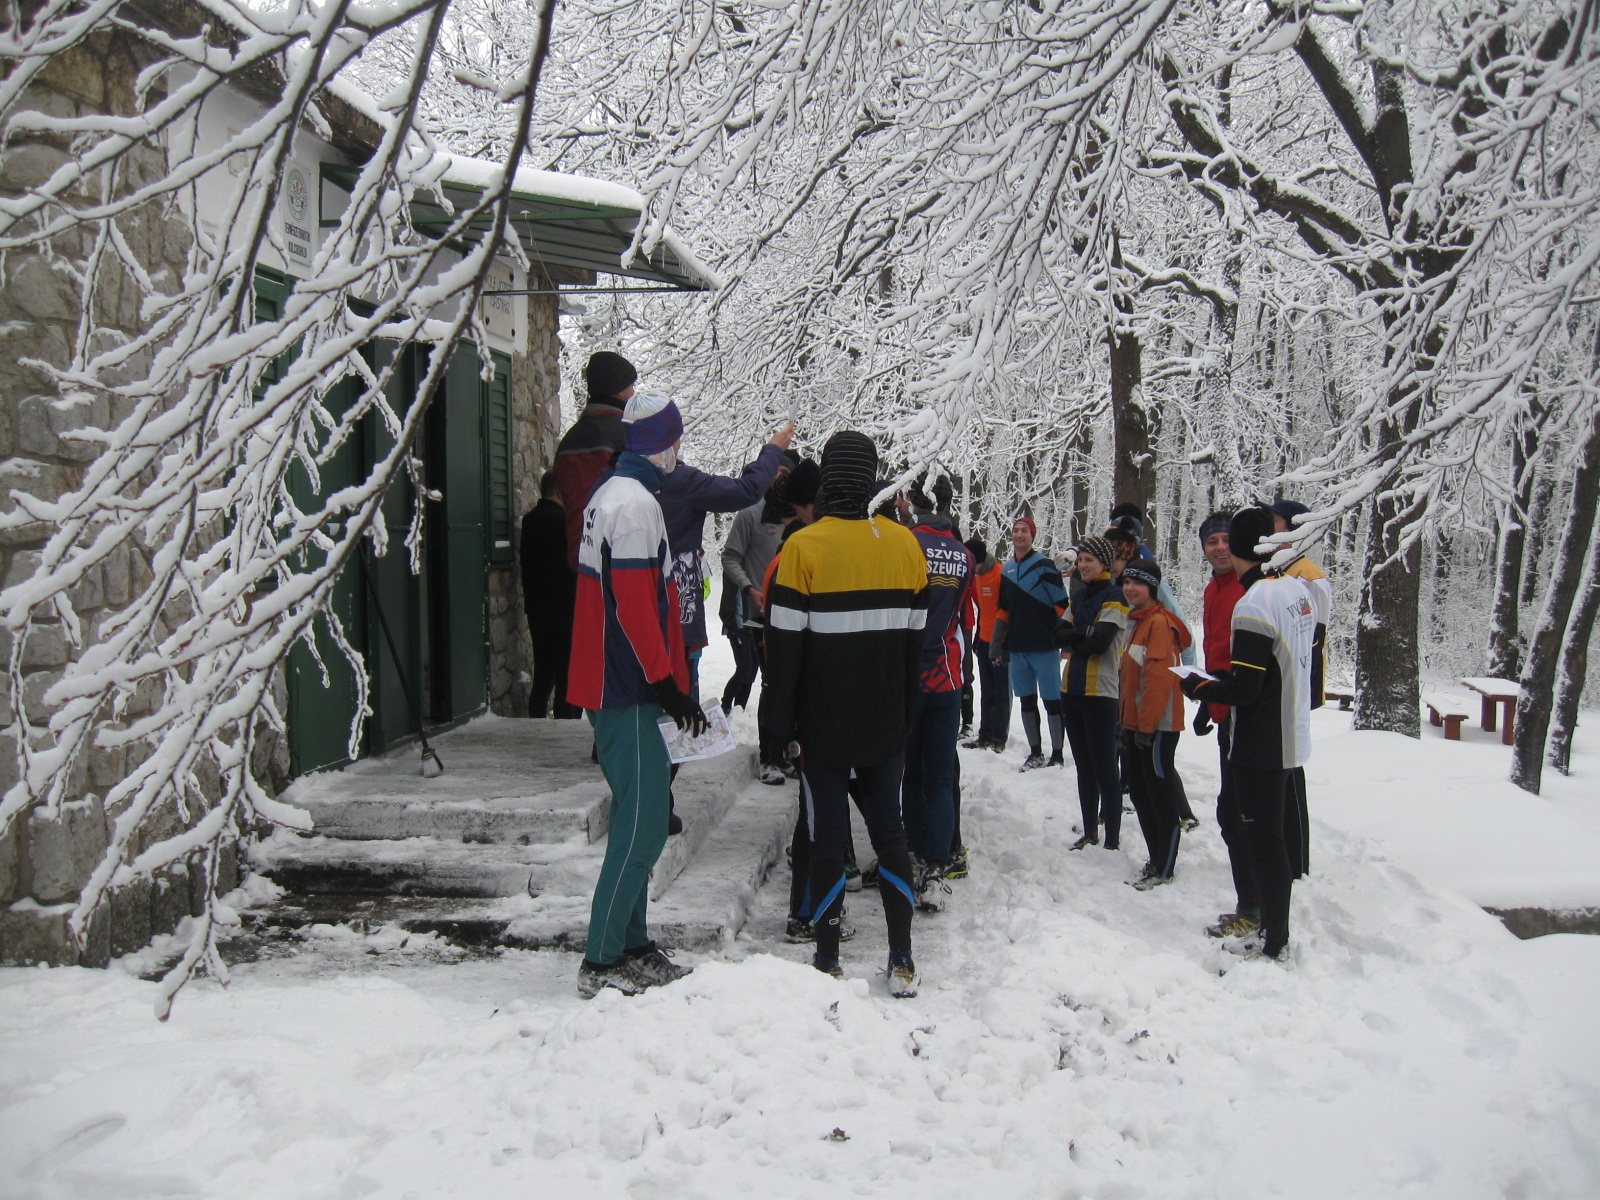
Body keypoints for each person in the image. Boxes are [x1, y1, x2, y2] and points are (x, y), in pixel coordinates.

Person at [765, 431, 929, 997]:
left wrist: (777, 731)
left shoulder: (803, 549)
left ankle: (829, 959)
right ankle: (902, 959)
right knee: (890, 833)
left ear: (830, 478)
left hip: (824, 726)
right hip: (885, 723)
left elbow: (783, 653)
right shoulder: (906, 546)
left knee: (828, 837)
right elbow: (916, 649)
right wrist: (906, 716)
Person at [568, 392, 703, 998]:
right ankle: (601, 960)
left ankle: (632, 945)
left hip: (615, 682)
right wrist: (668, 684)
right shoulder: (636, 505)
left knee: (636, 815)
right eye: (677, 440)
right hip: (626, 686)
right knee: (646, 824)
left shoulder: (611, 495)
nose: (681, 451)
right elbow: (634, 609)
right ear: (663, 444)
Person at [1178, 507, 1317, 962]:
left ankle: (1273, 937)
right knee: (1263, 832)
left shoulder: (1253, 603)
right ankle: (1267, 924)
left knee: (1262, 837)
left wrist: (1197, 687)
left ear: (1237, 548)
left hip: (1259, 739)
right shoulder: (1296, 590)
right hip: (1286, 727)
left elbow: (1247, 687)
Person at [901, 493, 975, 908]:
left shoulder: (909, 544)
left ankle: (913, 849)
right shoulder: (963, 555)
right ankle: (938, 859)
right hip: (949, 675)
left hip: (912, 675)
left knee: (912, 772)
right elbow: (968, 617)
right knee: (941, 777)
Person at [1194, 510, 1256, 938]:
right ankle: (1248, 902)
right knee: (1230, 811)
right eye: (1212, 541)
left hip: (1246, 709)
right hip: (1224, 705)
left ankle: (1254, 907)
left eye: (1225, 540)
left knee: (1239, 813)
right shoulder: (1213, 589)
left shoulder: (1249, 590)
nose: (1219, 548)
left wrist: (1216, 694)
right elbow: (1216, 651)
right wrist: (1206, 701)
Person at [1265, 499, 1332, 880]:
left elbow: (1313, 637)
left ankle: (1297, 858)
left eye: (1272, 523)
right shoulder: (1274, 571)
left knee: (1291, 771)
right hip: (1275, 686)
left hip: (1295, 687)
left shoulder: (1308, 575)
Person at [1117, 559, 1192, 888]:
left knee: (1159, 795)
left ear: (1153, 588)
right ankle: (1155, 857)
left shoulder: (1159, 624)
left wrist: (1145, 727)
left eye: (1139, 583)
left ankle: (1165, 866)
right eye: (1127, 581)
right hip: (1136, 724)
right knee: (1142, 794)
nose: (1130, 588)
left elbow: (1158, 682)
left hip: (1158, 727)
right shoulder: (1137, 622)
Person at [1055, 535, 1130, 850]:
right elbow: (1057, 633)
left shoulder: (1116, 596)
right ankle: (1090, 831)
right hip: (1071, 688)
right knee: (1084, 767)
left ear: (1104, 564)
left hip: (1101, 692)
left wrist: (1078, 636)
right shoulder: (1079, 596)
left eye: (1089, 560)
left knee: (1105, 768)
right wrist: (1081, 633)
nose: (1083, 565)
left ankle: (1111, 840)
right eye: (1080, 560)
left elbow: (1100, 643)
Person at [990, 517, 1068, 770]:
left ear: (1032, 536)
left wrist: (1066, 642)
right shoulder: (1008, 569)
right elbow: (1003, 610)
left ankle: (1057, 754)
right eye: (1016, 530)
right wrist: (997, 645)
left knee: (1052, 700)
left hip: (1045, 646)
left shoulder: (1045, 566)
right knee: (1026, 700)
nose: (1020, 535)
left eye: (1025, 531)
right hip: (1018, 648)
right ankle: (1035, 752)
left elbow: (1062, 607)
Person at [554, 351, 635, 570]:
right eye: (630, 386)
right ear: (619, 390)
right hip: (621, 558)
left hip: (578, 558)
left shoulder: (568, 442)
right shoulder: (629, 436)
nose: (633, 392)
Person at [520, 471, 581, 718]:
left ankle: (536, 716)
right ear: (559, 491)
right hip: (564, 608)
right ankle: (566, 720)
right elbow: (569, 568)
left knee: (544, 669)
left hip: (537, 607)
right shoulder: (564, 523)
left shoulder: (529, 520)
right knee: (567, 671)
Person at [963, 537, 1010, 752]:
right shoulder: (978, 576)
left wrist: (1002, 641)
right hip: (983, 640)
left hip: (999, 642)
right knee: (987, 690)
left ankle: (999, 737)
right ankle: (984, 735)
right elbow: (982, 609)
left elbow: (1006, 610)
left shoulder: (1000, 574)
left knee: (1001, 691)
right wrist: (978, 637)